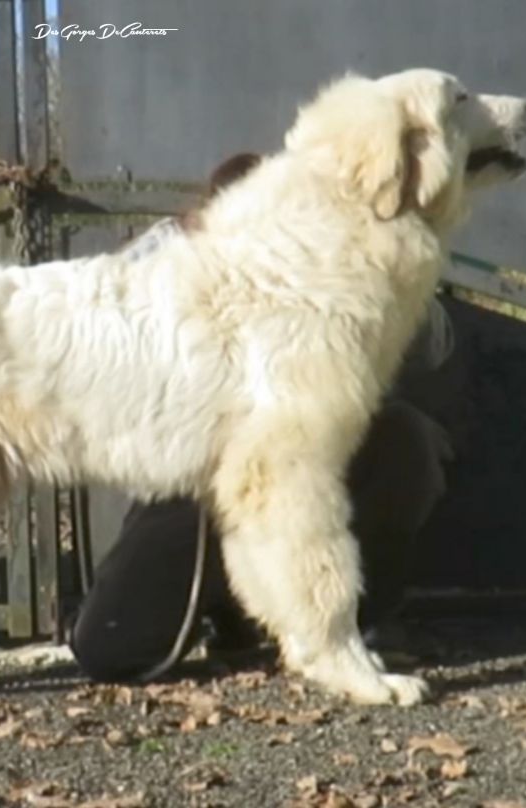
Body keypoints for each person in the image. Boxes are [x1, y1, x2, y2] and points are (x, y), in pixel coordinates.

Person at [67, 153, 454, 683]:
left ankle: (355, 624)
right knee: (112, 651)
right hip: (194, 472)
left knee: (405, 439)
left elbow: (432, 341)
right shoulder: (168, 250)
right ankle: (229, 617)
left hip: (310, 459)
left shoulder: (337, 254)